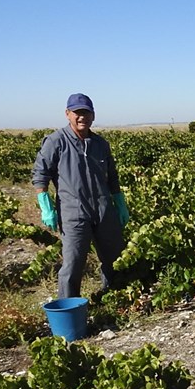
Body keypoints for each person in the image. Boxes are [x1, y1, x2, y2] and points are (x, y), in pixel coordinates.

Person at [32, 93, 130, 299]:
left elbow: (112, 176)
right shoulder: (55, 142)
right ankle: (70, 308)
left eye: (86, 112)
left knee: (115, 257)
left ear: (93, 116)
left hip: (104, 209)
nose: (81, 117)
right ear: (67, 114)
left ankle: (116, 297)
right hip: (73, 212)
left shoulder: (100, 144)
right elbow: (40, 174)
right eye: (77, 113)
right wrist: (45, 205)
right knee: (73, 263)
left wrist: (119, 203)